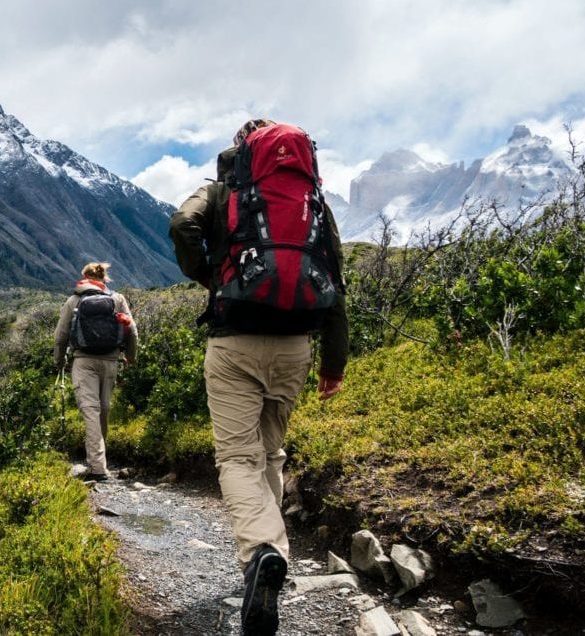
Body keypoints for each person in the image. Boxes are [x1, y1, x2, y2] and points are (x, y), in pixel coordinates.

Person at [169, 119, 348, 635]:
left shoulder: (224, 191)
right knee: (270, 451)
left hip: (235, 342)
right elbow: (335, 279)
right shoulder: (312, 202)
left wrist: (205, 273)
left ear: (242, 150)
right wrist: (333, 363)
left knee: (236, 458)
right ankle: (274, 554)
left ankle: (262, 552)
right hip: (296, 346)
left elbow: (182, 225)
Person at [54, 262, 138, 482]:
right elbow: (132, 330)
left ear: (83, 277)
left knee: (90, 411)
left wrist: (60, 360)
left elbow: (60, 336)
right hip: (111, 362)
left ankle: (98, 467)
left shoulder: (74, 300)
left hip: (83, 362)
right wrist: (130, 357)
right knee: (103, 410)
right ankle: (100, 461)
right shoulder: (117, 299)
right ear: (105, 278)